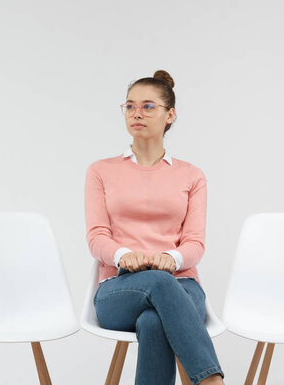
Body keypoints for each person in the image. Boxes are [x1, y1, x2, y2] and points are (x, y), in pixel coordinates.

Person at [84, 70, 225, 385]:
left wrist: (172, 258)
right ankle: (212, 382)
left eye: (148, 106)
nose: (137, 113)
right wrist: (122, 255)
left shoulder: (192, 176)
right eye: (130, 106)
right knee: (159, 284)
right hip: (118, 289)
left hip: (182, 286)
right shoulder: (100, 171)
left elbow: (194, 243)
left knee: (153, 322)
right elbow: (96, 237)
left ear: (170, 114)